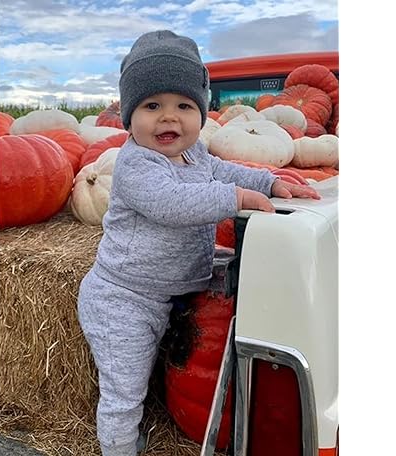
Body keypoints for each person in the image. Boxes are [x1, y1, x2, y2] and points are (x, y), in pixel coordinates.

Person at [77, 29, 320, 456]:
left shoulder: (195, 154)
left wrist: (268, 182)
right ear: (128, 117)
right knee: (124, 392)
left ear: (202, 113)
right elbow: (171, 202)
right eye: (152, 106)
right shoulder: (135, 164)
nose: (169, 118)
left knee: (149, 375)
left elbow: (223, 172)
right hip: (125, 299)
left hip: (169, 293)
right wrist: (235, 199)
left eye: (184, 106)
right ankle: (119, 446)